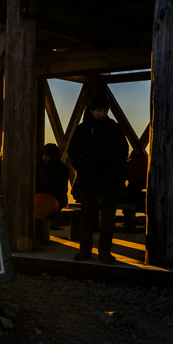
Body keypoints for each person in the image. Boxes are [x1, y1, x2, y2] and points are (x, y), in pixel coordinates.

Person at [67, 91, 128, 262]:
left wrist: (117, 168)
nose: (103, 114)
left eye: (105, 110)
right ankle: (85, 250)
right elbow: (73, 151)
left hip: (109, 180)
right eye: (99, 110)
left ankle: (104, 252)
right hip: (88, 180)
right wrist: (81, 166)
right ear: (92, 110)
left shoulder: (114, 128)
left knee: (108, 217)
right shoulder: (83, 129)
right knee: (87, 216)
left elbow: (124, 149)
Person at [35, 143, 70, 223]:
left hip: (55, 198)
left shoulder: (62, 169)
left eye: (47, 156)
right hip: (40, 196)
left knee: (36, 204)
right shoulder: (39, 167)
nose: (44, 158)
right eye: (43, 155)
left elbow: (60, 189)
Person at [120, 147, 148, 233]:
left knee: (129, 197)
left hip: (135, 179)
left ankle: (139, 206)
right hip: (143, 176)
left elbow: (122, 179)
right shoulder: (143, 160)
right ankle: (142, 205)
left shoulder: (128, 164)